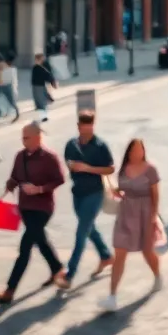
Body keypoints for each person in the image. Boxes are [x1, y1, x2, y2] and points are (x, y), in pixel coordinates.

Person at [0, 122, 68, 303]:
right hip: (25, 206)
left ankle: (10, 290)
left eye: (26, 137)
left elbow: (59, 179)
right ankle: (57, 269)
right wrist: (9, 185)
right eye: (22, 137)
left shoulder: (49, 157)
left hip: (42, 207)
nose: (23, 140)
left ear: (38, 137)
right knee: (40, 240)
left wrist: (40, 189)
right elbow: (15, 177)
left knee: (25, 247)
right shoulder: (20, 156)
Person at [100, 138, 163, 312]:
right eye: (134, 150)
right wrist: (116, 191)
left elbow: (155, 195)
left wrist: (153, 217)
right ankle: (112, 296)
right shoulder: (123, 169)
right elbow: (124, 190)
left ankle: (157, 276)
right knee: (119, 251)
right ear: (129, 152)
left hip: (145, 214)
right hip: (126, 214)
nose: (137, 153)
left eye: (140, 149)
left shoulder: (151, 170)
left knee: (147, 251)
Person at [62, 111, 115, 285]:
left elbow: (110, 168)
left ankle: (69, 274)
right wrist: (72, 166)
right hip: (78, 193)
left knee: (81, 232)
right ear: (78, 126)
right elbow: (68, 161)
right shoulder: (71, 144)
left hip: (95, 193)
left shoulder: (100, 145)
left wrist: (87, 168)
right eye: (84, 125)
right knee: (89, 227)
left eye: (90, 125)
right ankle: (106, 255)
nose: (88, 128)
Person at [30, 53, 57, 122]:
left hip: (38, 86)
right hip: (37, 85)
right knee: (40, 100)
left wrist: (52, 82)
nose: (35, 61)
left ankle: (44, 116)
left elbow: (48, 75)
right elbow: (48, 75)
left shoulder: (40, 67)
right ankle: (49, 98)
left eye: (36, 59)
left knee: (40, 101)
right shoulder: (36, 67)